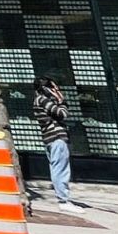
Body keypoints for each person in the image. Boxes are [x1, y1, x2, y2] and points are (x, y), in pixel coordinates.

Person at [36, 77, 76, 208]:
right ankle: (63, 200)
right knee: (61, 169)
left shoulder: (40, 100)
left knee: (57, 168)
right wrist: (61, 101)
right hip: (56, 136)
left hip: (51, 138)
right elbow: (62, 114)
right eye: (53, 88)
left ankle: (63, 198)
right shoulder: (43, 100)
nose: (56, 90)